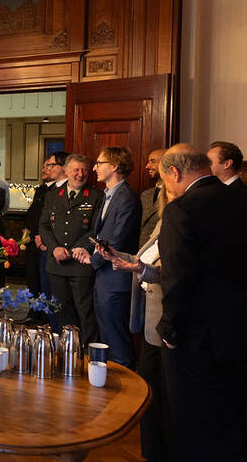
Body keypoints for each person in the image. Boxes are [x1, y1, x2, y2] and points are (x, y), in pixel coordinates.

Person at [156, 144, 246, 460]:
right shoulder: (239, 198)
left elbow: (177, 278)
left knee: (192, 419)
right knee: (233, 413)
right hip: (237, 329)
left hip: (196, 336)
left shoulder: (182, 210)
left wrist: (168, 331)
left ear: (174, 173)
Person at [94, 188, 174, 462]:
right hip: (150, 317)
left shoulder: (177, 224)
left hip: (165, 318)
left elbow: (167, 273)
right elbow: (144, 260)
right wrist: (118, 255)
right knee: (151, 391)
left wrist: (137, 269)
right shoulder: (163, 223)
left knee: (161, 393)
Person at [75, 147, 141, 369]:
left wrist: (91, 261)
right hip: (104, 278)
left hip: (116, 279)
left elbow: (118, 241)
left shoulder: (127, 198)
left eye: (99, 163)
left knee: (118, 341)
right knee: (106, 338)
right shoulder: (109, 194)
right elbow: (100, 236)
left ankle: (129, 393)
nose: (94, 168)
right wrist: (86, 250)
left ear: (114, 166)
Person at [38, 153, 104, 342]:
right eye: (76, 169)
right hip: (56, 264)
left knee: (85, 312)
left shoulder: (96, 196)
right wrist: (54, 249)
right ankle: (68, 350)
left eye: (84, 170)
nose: (80, 174)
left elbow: (95, 229)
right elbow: (43, 225)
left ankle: (87, 353)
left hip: (80, 264)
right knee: (62, 311)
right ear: (66, 171)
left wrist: (77, 248)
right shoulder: (52, 195)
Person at [23, 152, 67, 325]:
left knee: (48, 287)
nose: (45, 169)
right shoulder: (42, 190)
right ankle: (35, 313)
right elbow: (34, 215)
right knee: (34, 281)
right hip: (34, 240)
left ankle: (46, 318)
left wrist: (44, 237)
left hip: (49, 245)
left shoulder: (59, 190)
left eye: (50, 165)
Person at [139, 149, 165, 248]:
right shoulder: (145, 195)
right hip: (139, 254)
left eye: (152, 161)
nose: (147, 166)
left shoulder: (174, 196)